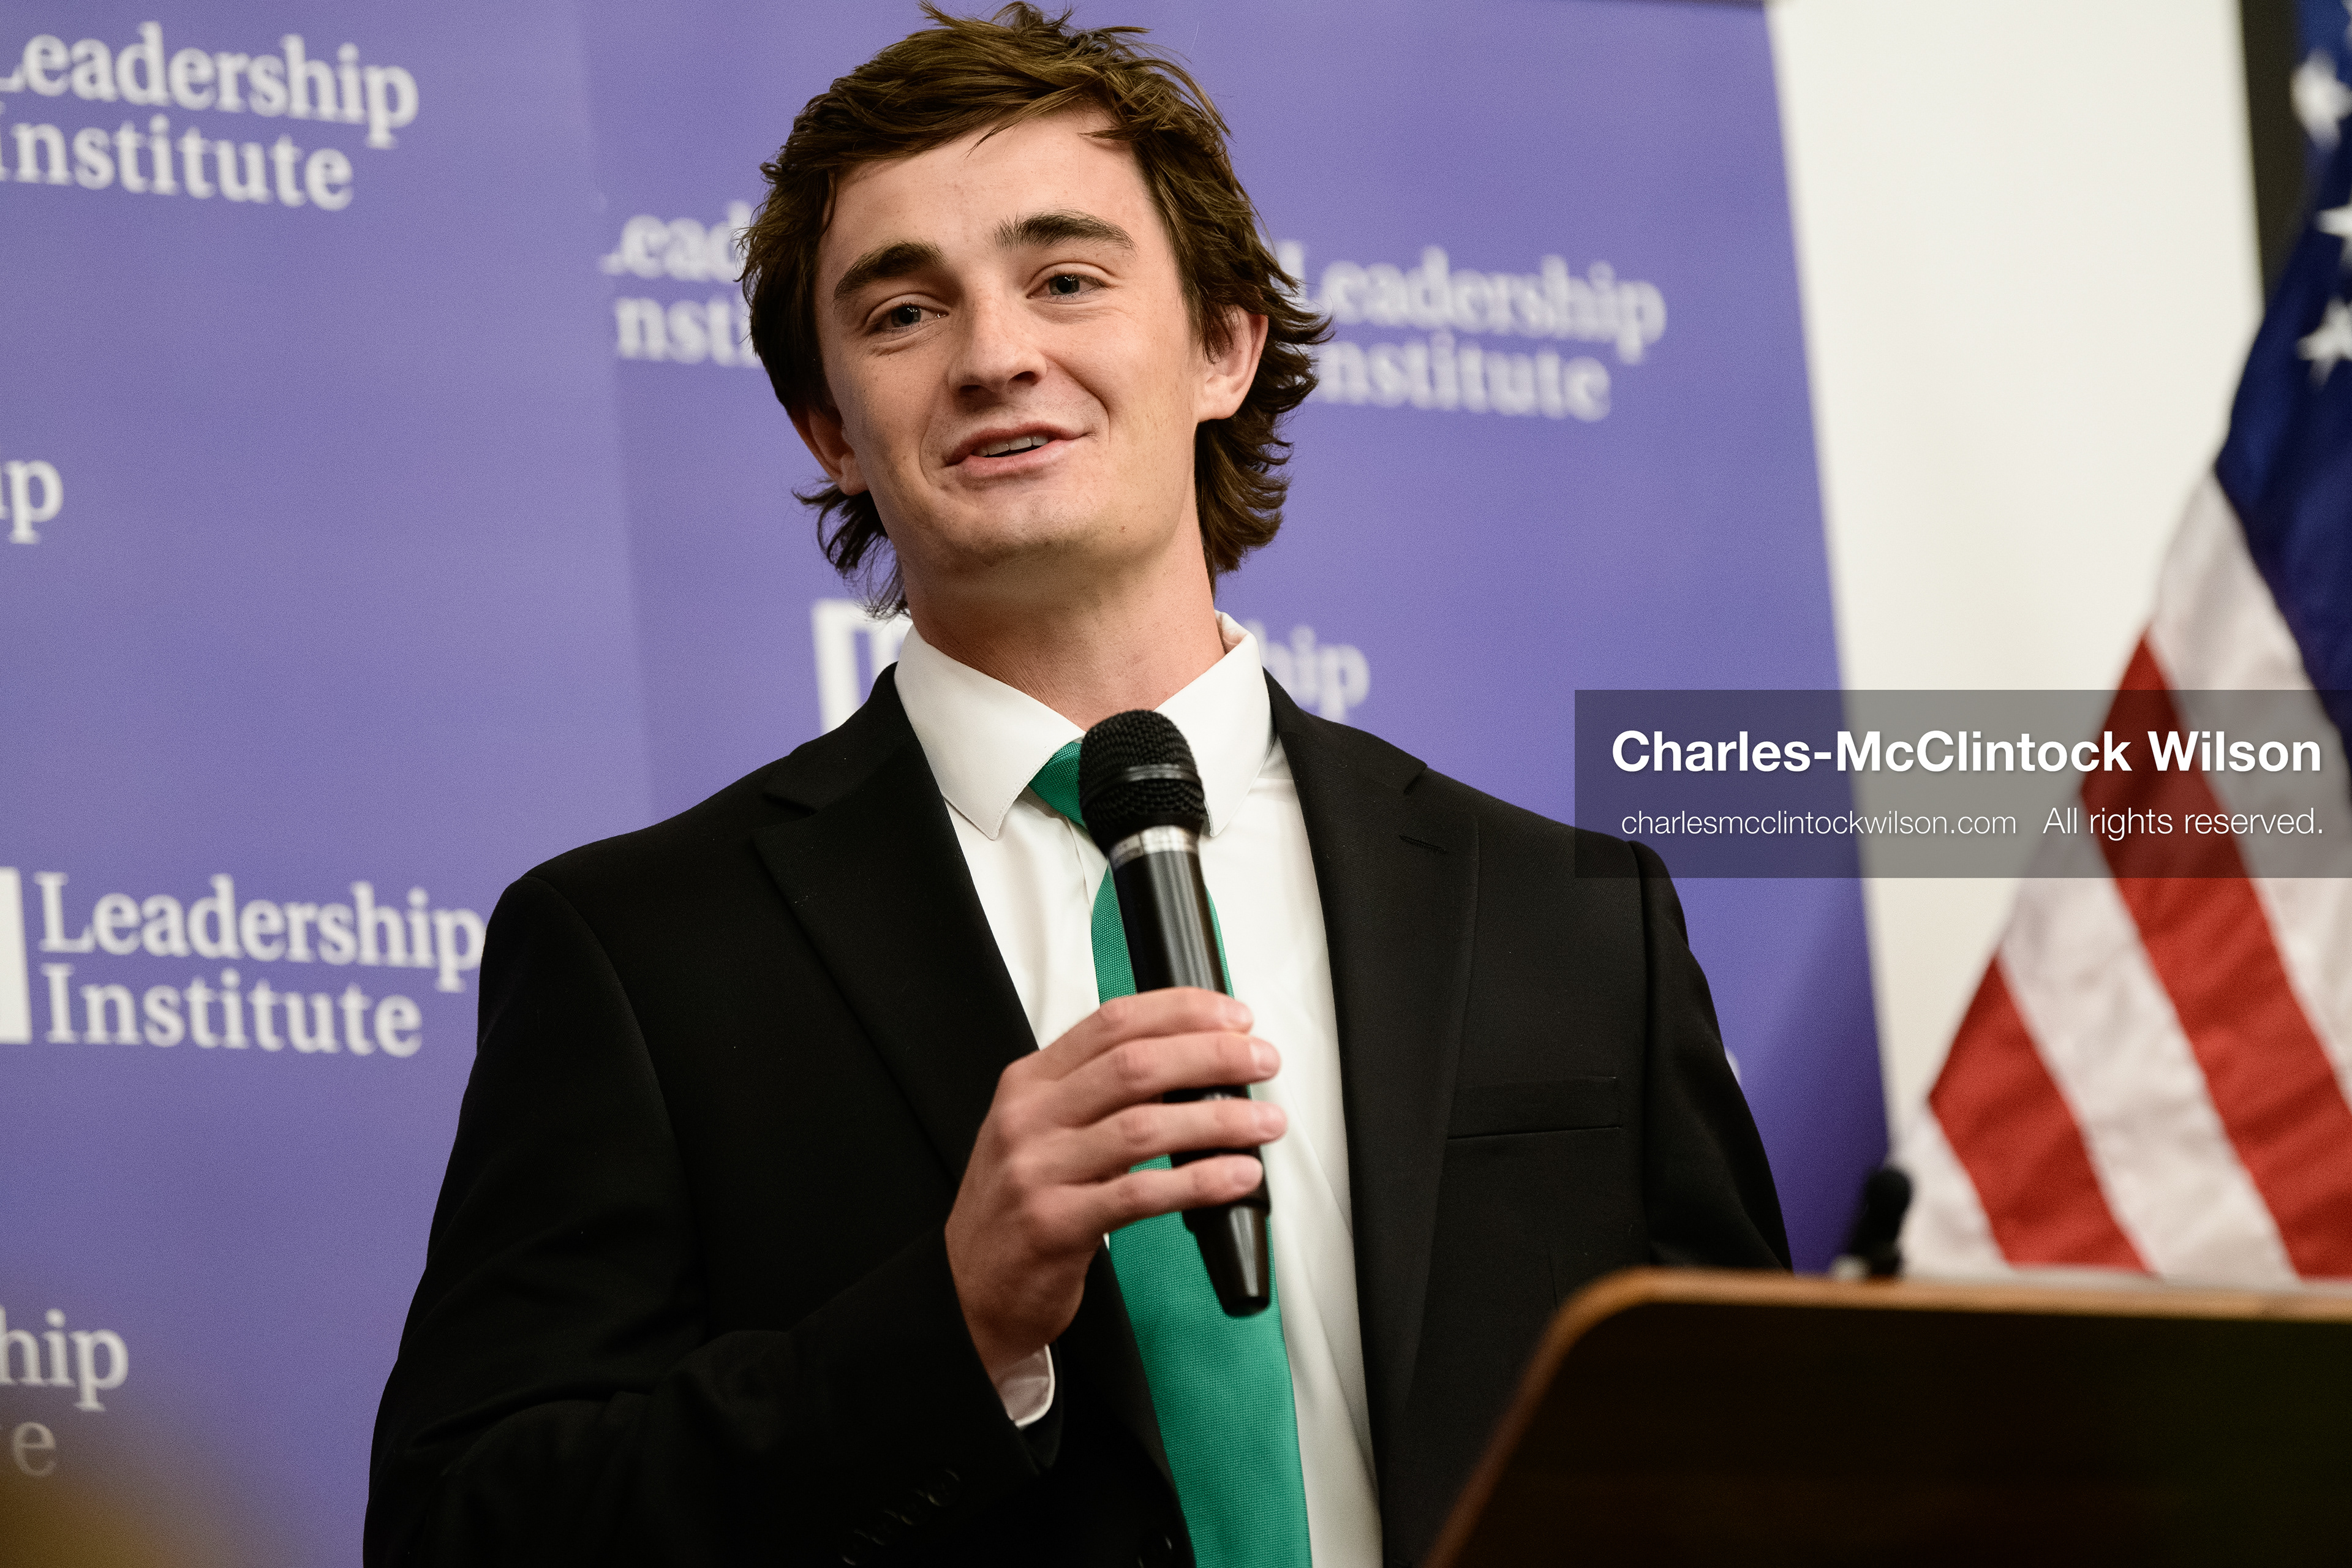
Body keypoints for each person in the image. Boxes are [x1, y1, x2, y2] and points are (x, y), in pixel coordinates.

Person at [364, 7, 1788, 1566]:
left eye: (1067, 278)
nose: (995, 355)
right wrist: (950, 1317)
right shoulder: (637, 949)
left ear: (1224, 346)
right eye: (904, 311)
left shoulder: (1572, 922)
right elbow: (465, 1529)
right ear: (831, 427)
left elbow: (1764, 1468)